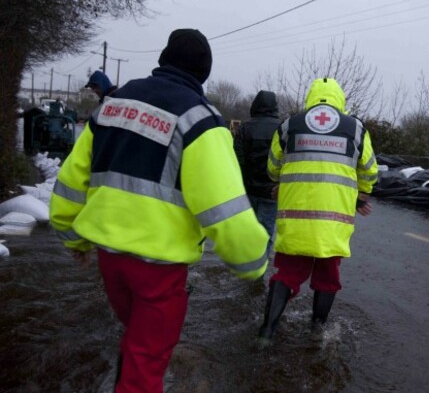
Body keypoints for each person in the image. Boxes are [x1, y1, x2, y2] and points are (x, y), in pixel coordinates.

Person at [49, 28, 269, 392]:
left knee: (134, 341)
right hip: (158, 271)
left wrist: (72, 237)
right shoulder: (201, 121)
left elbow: (72, 180)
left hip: (110, 259)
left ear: (163, 60)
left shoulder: (113, 105)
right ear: (203, 74)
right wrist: (253, 261)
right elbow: (225, 210)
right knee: (145, 366)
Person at [258, 77, 378, 342]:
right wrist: (360, 194)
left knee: (287, 273)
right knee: (327, 276)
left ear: (310, 97)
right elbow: (370, 170)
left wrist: (284, 182)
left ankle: (266, 333)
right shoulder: (356, 129)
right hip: (333, 223)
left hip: (295, 218)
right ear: (340, 99)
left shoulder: (289, 125)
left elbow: (272, 167)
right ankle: (317, 333)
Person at [233, 90, 281, 256]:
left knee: (248, 228)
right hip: (272, 191)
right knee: (266, 231)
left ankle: (245, 261)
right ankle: (259, 268)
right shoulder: (282, 128)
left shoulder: (245, 128)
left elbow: (237, 160)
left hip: (248, 189)